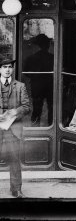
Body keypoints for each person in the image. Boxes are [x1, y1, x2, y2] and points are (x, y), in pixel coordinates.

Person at [0, 55, 30, 198]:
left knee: (14, 159)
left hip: (13, 129)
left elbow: (26, 107)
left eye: (9, 67)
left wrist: (13, 112)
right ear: (0, 69)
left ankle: (16, 189)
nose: (7, 70)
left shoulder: (20, 86)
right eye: (4, 67)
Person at [24, 34, 54, 126]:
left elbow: (26, 72)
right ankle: (50, 126)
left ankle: (35, 129)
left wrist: (34, 77)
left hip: (38, 86)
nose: (48, 45)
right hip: (49, 86)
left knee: (37, 109)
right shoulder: (52, 58)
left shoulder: (31, 58)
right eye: (47, 44)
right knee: (51, 108)